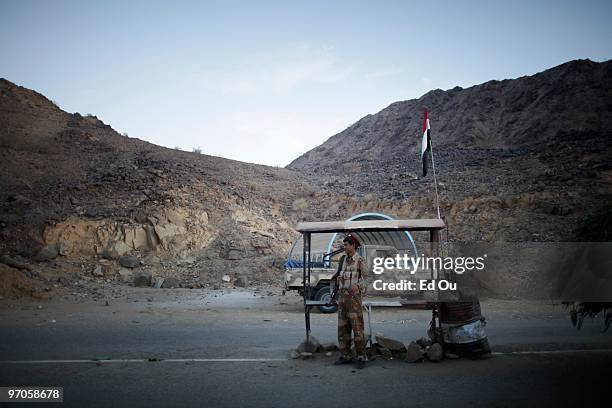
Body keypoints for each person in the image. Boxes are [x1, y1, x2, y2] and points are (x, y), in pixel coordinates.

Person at [331, 234, 368, 369]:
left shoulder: (360, 261)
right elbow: (337, 277)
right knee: (342, 329)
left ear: (353, 245)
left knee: (357, 328)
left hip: (354, 300)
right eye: (344, 245)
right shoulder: (342, 260)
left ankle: (361, 357)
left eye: (346, 244)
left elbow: (368, 278)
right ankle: (345, 356)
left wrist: (357, 286)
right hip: (343, 299)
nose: (344, 247)